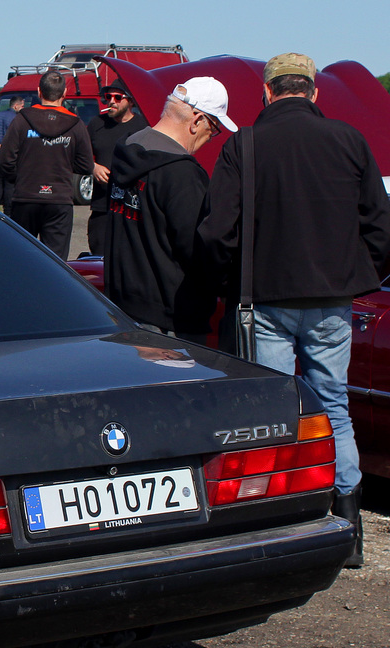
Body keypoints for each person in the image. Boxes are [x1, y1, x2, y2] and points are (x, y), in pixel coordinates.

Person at [198, 53, 390, 567]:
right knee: (334, 407)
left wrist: (229, 280)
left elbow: (218, 231)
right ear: (313, 92)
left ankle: (283, 521)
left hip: (266, 298)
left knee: (277, 415)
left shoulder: (246, 144)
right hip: (332, 299)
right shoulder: (350, 140)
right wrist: (358, 276)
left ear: (266, 92)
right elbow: (380, 223)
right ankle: (348, 526)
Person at [105, 77, 235, 345]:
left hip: (122, 308)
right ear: (196, 119)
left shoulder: (128, 147)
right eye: (214, 128)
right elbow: (198, 250)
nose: (211, 138)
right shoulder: (182, 173)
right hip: (170, 319)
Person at [0, 69, 94, 259]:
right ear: (65, 94)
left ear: (39, 92)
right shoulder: (76, 124)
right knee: (56, 262)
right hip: (59, 198)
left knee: (22, 257)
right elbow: (86, 165)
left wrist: (23, 175)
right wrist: (63, 167)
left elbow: (5, 159)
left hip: (26, 196)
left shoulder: (22, 120)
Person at [87, 79, 148, 255]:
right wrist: (93, 167)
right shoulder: (96, 124)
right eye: (108, 97)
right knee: (99, 257)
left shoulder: (142, 127)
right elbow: (79, 155)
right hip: (101, 205)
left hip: (130, 206)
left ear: (130, 101)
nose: (111, 101)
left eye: (117, 97)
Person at [0, 95, 25, 214]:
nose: (22, 108)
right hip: (9, 154)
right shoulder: (15, 118)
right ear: (16, 106)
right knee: (9, 184)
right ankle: (8, 209)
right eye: (22, 106)